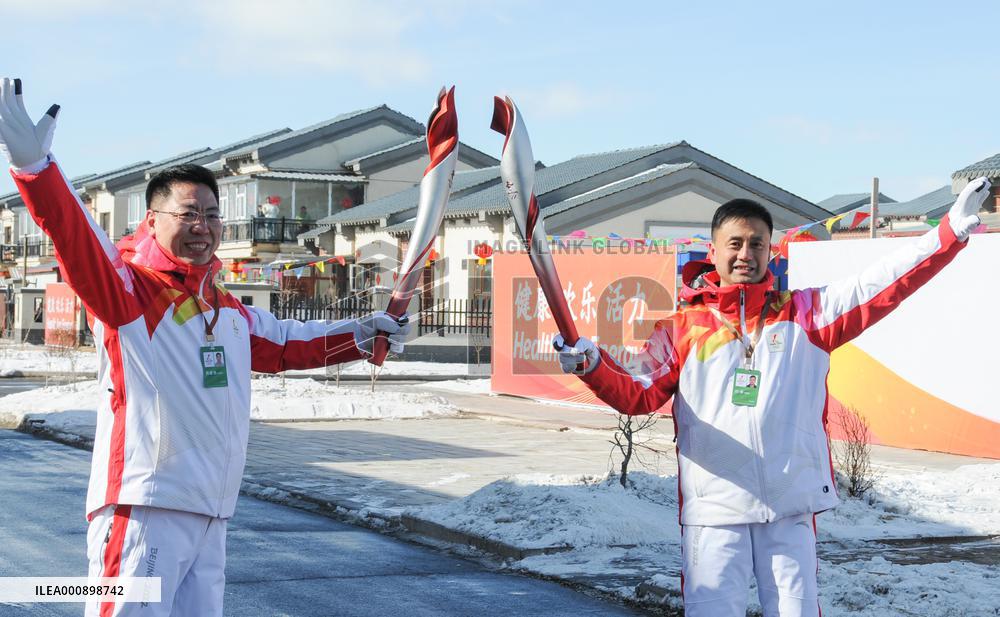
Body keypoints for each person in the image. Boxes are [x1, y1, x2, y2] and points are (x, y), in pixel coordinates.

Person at [0, 78, 410, 617]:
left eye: (212, 215)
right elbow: (78, 241)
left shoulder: (225, 310)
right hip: (145, 508)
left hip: (211, 514)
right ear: (152, 221)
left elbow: (288, 345)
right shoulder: (131, 295)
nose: (203, 227)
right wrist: (36, 170)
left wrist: (366, 335)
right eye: (188, 214)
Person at [554, 185, 988, 617]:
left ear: (770, 251)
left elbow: (879, 283)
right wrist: (591, 364)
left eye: (756, 244)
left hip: (789, 507)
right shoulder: (682, 328)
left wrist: (947, 233)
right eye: (735, 243)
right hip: (714, 511)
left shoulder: (806, 314)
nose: (746, 254)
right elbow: (638, 392)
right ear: (713, 251)